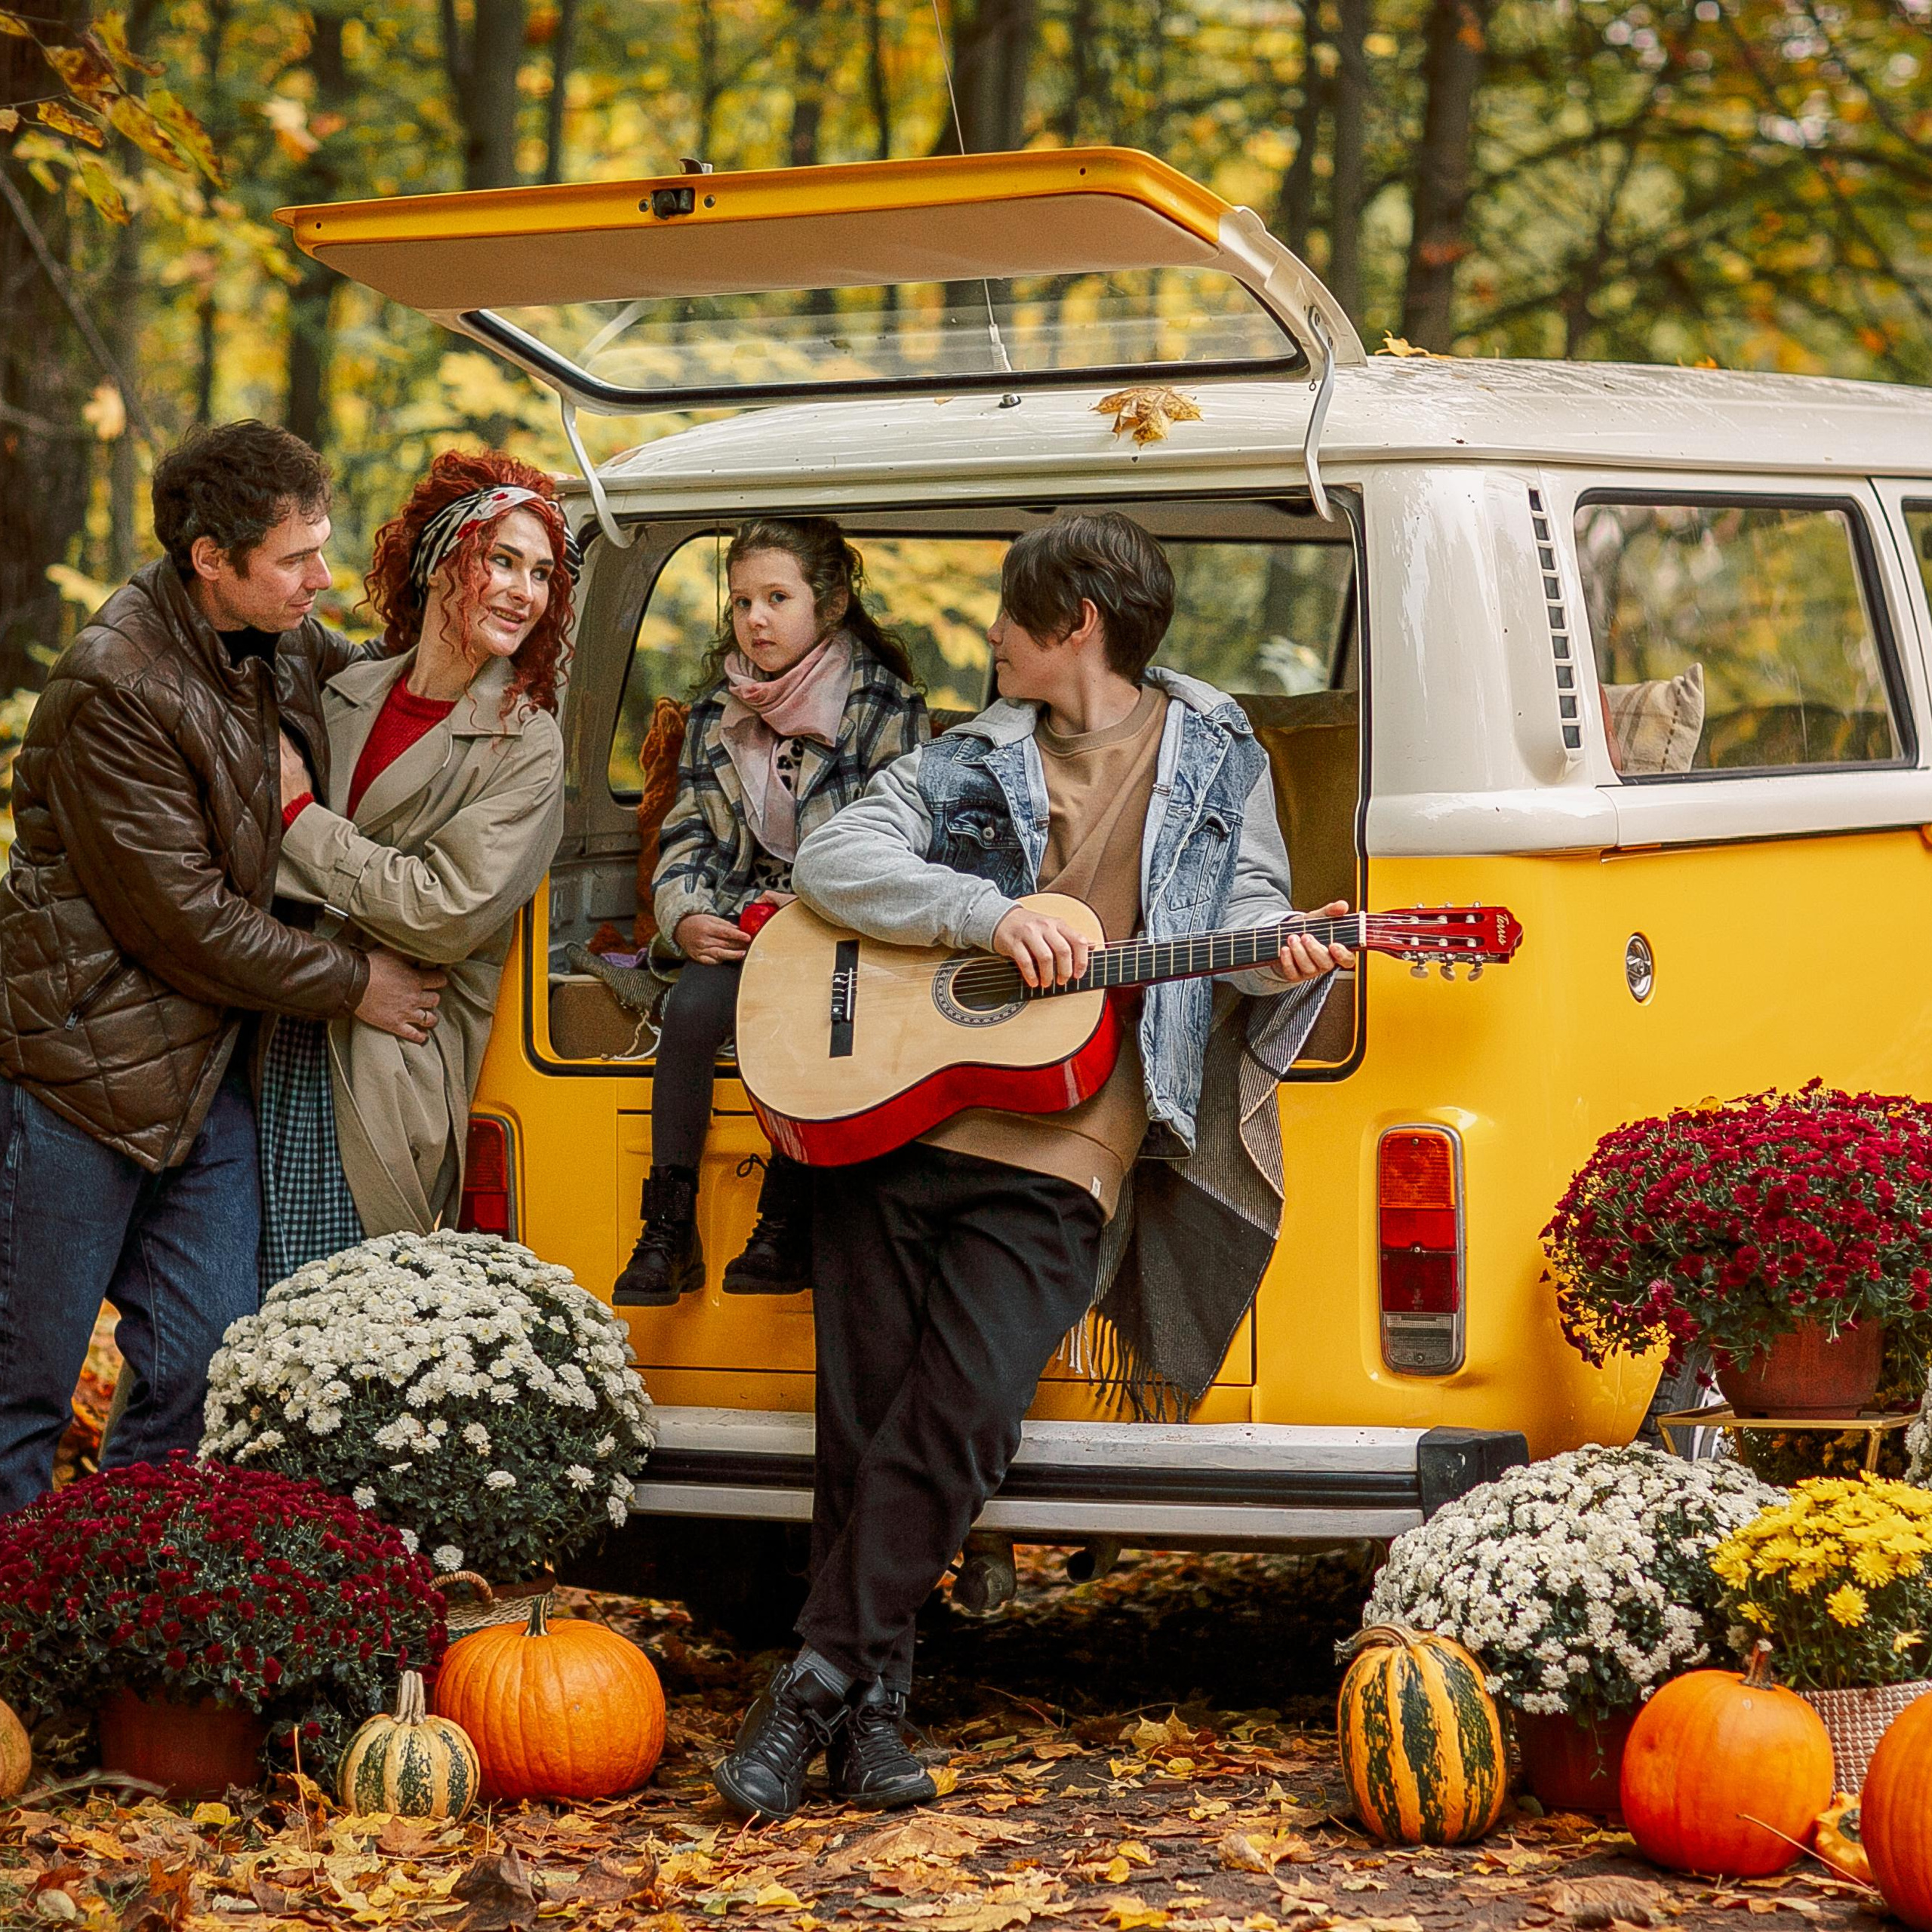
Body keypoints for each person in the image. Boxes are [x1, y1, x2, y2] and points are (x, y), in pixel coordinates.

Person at [711, 512, 1354, 1819]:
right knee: (865, 1420)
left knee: (961, 1413)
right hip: (896, 1109)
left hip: (1073, 1133)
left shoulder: (1219, 754)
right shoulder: (972, 753)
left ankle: (812, 1678)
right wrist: (988, 914)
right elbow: (834, 857)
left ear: (1076, 630)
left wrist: (1275, 952)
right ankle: (870, 1718)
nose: (990, 635)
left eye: (1010, 616)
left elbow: (1234, 923)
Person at [0, 420, 443, 1515]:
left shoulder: (282, 639)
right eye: (296, 558)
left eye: (323, 549)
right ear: (211, 557)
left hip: (205, 1075)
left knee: (204, 1366)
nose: (321, 579)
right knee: (24, 1392)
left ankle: (116, 1621)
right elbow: (183, 922)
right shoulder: (116, 685)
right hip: (72, 1075)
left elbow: (396, 698)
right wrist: (358, 984)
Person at [261, 451, 574, 1276]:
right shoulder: (348, 690)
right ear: (440, 563)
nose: (524, 590)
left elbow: (442, 914)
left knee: (330, 1343)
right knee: (209, 1335)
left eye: (541, 573)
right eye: (500, 560)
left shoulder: (526, 743)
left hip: (383, 1069)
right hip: (263, 1031)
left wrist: (301, 822)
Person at [614, 517, 928, 1306]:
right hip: (745, 920)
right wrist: (686, 915)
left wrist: (810, 906)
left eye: (776, 598)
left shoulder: (882, 705)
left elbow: (900, 841)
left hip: (845, 925)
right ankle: (668, 1223)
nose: (754, 618)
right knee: (691, 1008)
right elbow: (687, 831)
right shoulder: (720, 708)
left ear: (830, 603)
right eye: (742, 600)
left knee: (818, 1011)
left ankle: (787, 1218)